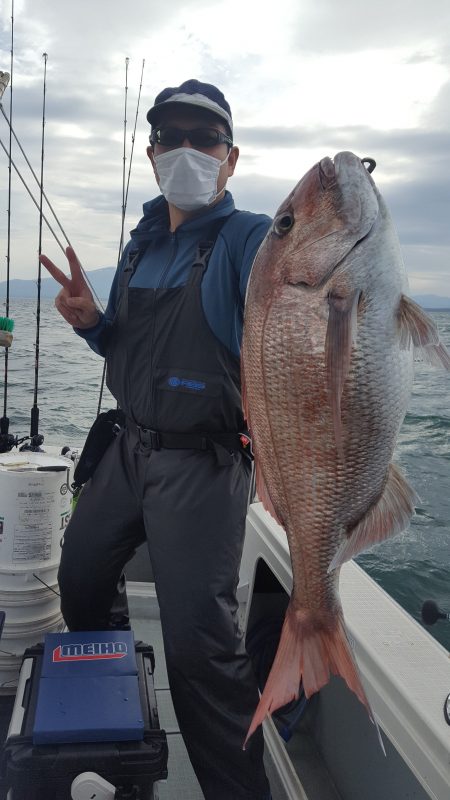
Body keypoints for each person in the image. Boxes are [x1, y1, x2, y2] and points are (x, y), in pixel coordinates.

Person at [41, 79, 272, 800]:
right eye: (169, 139)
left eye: (203, 139)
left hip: (203, 467)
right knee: (78, 575)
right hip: (128, 450)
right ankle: (116, 691)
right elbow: (126, 345)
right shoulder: (141, 246)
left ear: (231, 159)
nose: (185, 152)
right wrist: (90, 324)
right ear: (150, 155)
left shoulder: (249, 240)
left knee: (202, 653)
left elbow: (293, 281)